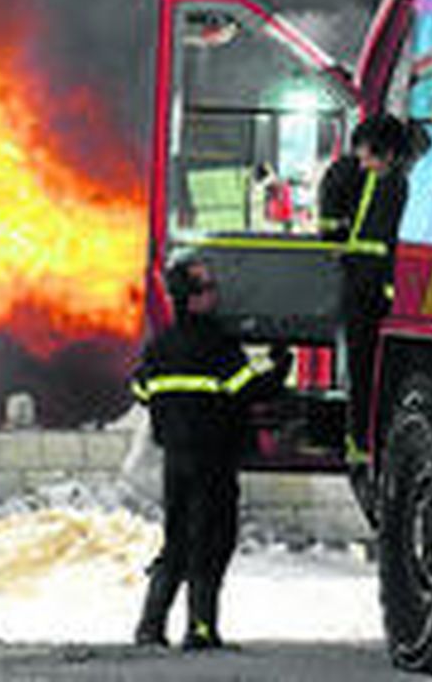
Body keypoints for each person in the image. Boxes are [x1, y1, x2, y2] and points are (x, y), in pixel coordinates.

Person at [132, 255, 288, 650]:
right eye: (209, 287)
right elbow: (248, 390)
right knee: (212, 540)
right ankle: (201, 630)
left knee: (177, 540)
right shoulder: (218, 346)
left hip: (175, 460)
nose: (216, 294)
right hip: (213, 460)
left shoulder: (160, 347)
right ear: (194, 299)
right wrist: (280, 365)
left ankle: (150, 628)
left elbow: (140, 389)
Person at [317, 112, 410, 465]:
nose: (363, 162)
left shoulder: (396, 182)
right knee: (360, 367)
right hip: (362, 285)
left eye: (367, 155)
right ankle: (360, 443)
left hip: (375, 287)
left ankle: (368, 441)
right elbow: (333, 228)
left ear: (387, 154)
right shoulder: (362, 175)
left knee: (372, 369)